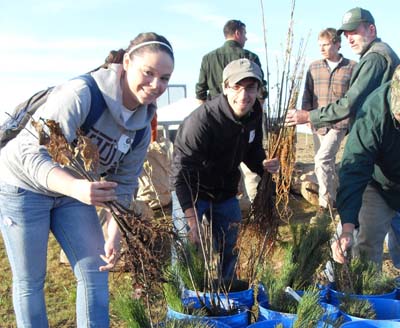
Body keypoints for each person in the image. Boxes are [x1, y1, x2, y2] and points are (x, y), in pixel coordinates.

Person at [0, 32, 174, 327]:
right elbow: (32, 154)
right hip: (23, 184)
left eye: (165, 78)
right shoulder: (81, 94)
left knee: (96, 270)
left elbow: (125, 182)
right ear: (128, 62)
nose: (156, 85)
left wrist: (115, 232)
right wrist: (76, 187)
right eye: (149, 73)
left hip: (75, 192)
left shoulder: (143, 126)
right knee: (31, 279)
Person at [172, 58, 279, 280]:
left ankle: (225, 292)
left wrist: (263, 164)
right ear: (225, 88)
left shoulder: (255, 112)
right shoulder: (202, 122)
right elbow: (181, 176)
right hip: (192, 190)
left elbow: (252, 149)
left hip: (225, 191)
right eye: (237, 87)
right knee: (186, 248)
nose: (244, 95)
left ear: (259, 89)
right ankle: (181, 298)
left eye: (251, 87)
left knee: (230, 246)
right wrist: (192, 221)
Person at [331, 65, 400, 270]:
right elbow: (354, 169)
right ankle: (369, 297)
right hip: (379, 184)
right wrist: (347, 228)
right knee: (368, 244)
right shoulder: (373, 113)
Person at [286, 7, 400, 130]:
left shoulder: (375, 59)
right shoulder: (380, 53)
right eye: (346, 36)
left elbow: (350, 103)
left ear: (372, 30)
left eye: (354, 32)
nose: (350, 40)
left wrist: (310, 116)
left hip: (378, 134)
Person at [195, 19, 268, 205]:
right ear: (237, 33)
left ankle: (233, 203)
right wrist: (255, 116)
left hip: (215, 124)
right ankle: (254, 205)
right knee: (250, 163)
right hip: (245, 120)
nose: (246, 37)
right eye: (245, 33)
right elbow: (261, 93)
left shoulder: (208, 58)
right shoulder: (250, 57)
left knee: (222, 165)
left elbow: (200, 93)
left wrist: (204, 118)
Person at [301, 28, 357, 223]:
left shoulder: (352, 67)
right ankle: (340, 199)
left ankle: (325, 206)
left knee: (323, 159)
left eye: (325, 45)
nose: (322, 49)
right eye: (320, 46)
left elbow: (355, 97)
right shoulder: (314, 67)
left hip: (339, 124)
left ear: (336, 44)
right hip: (318, 123)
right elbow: (307, 93)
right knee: (326, 164)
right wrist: (307, 116)